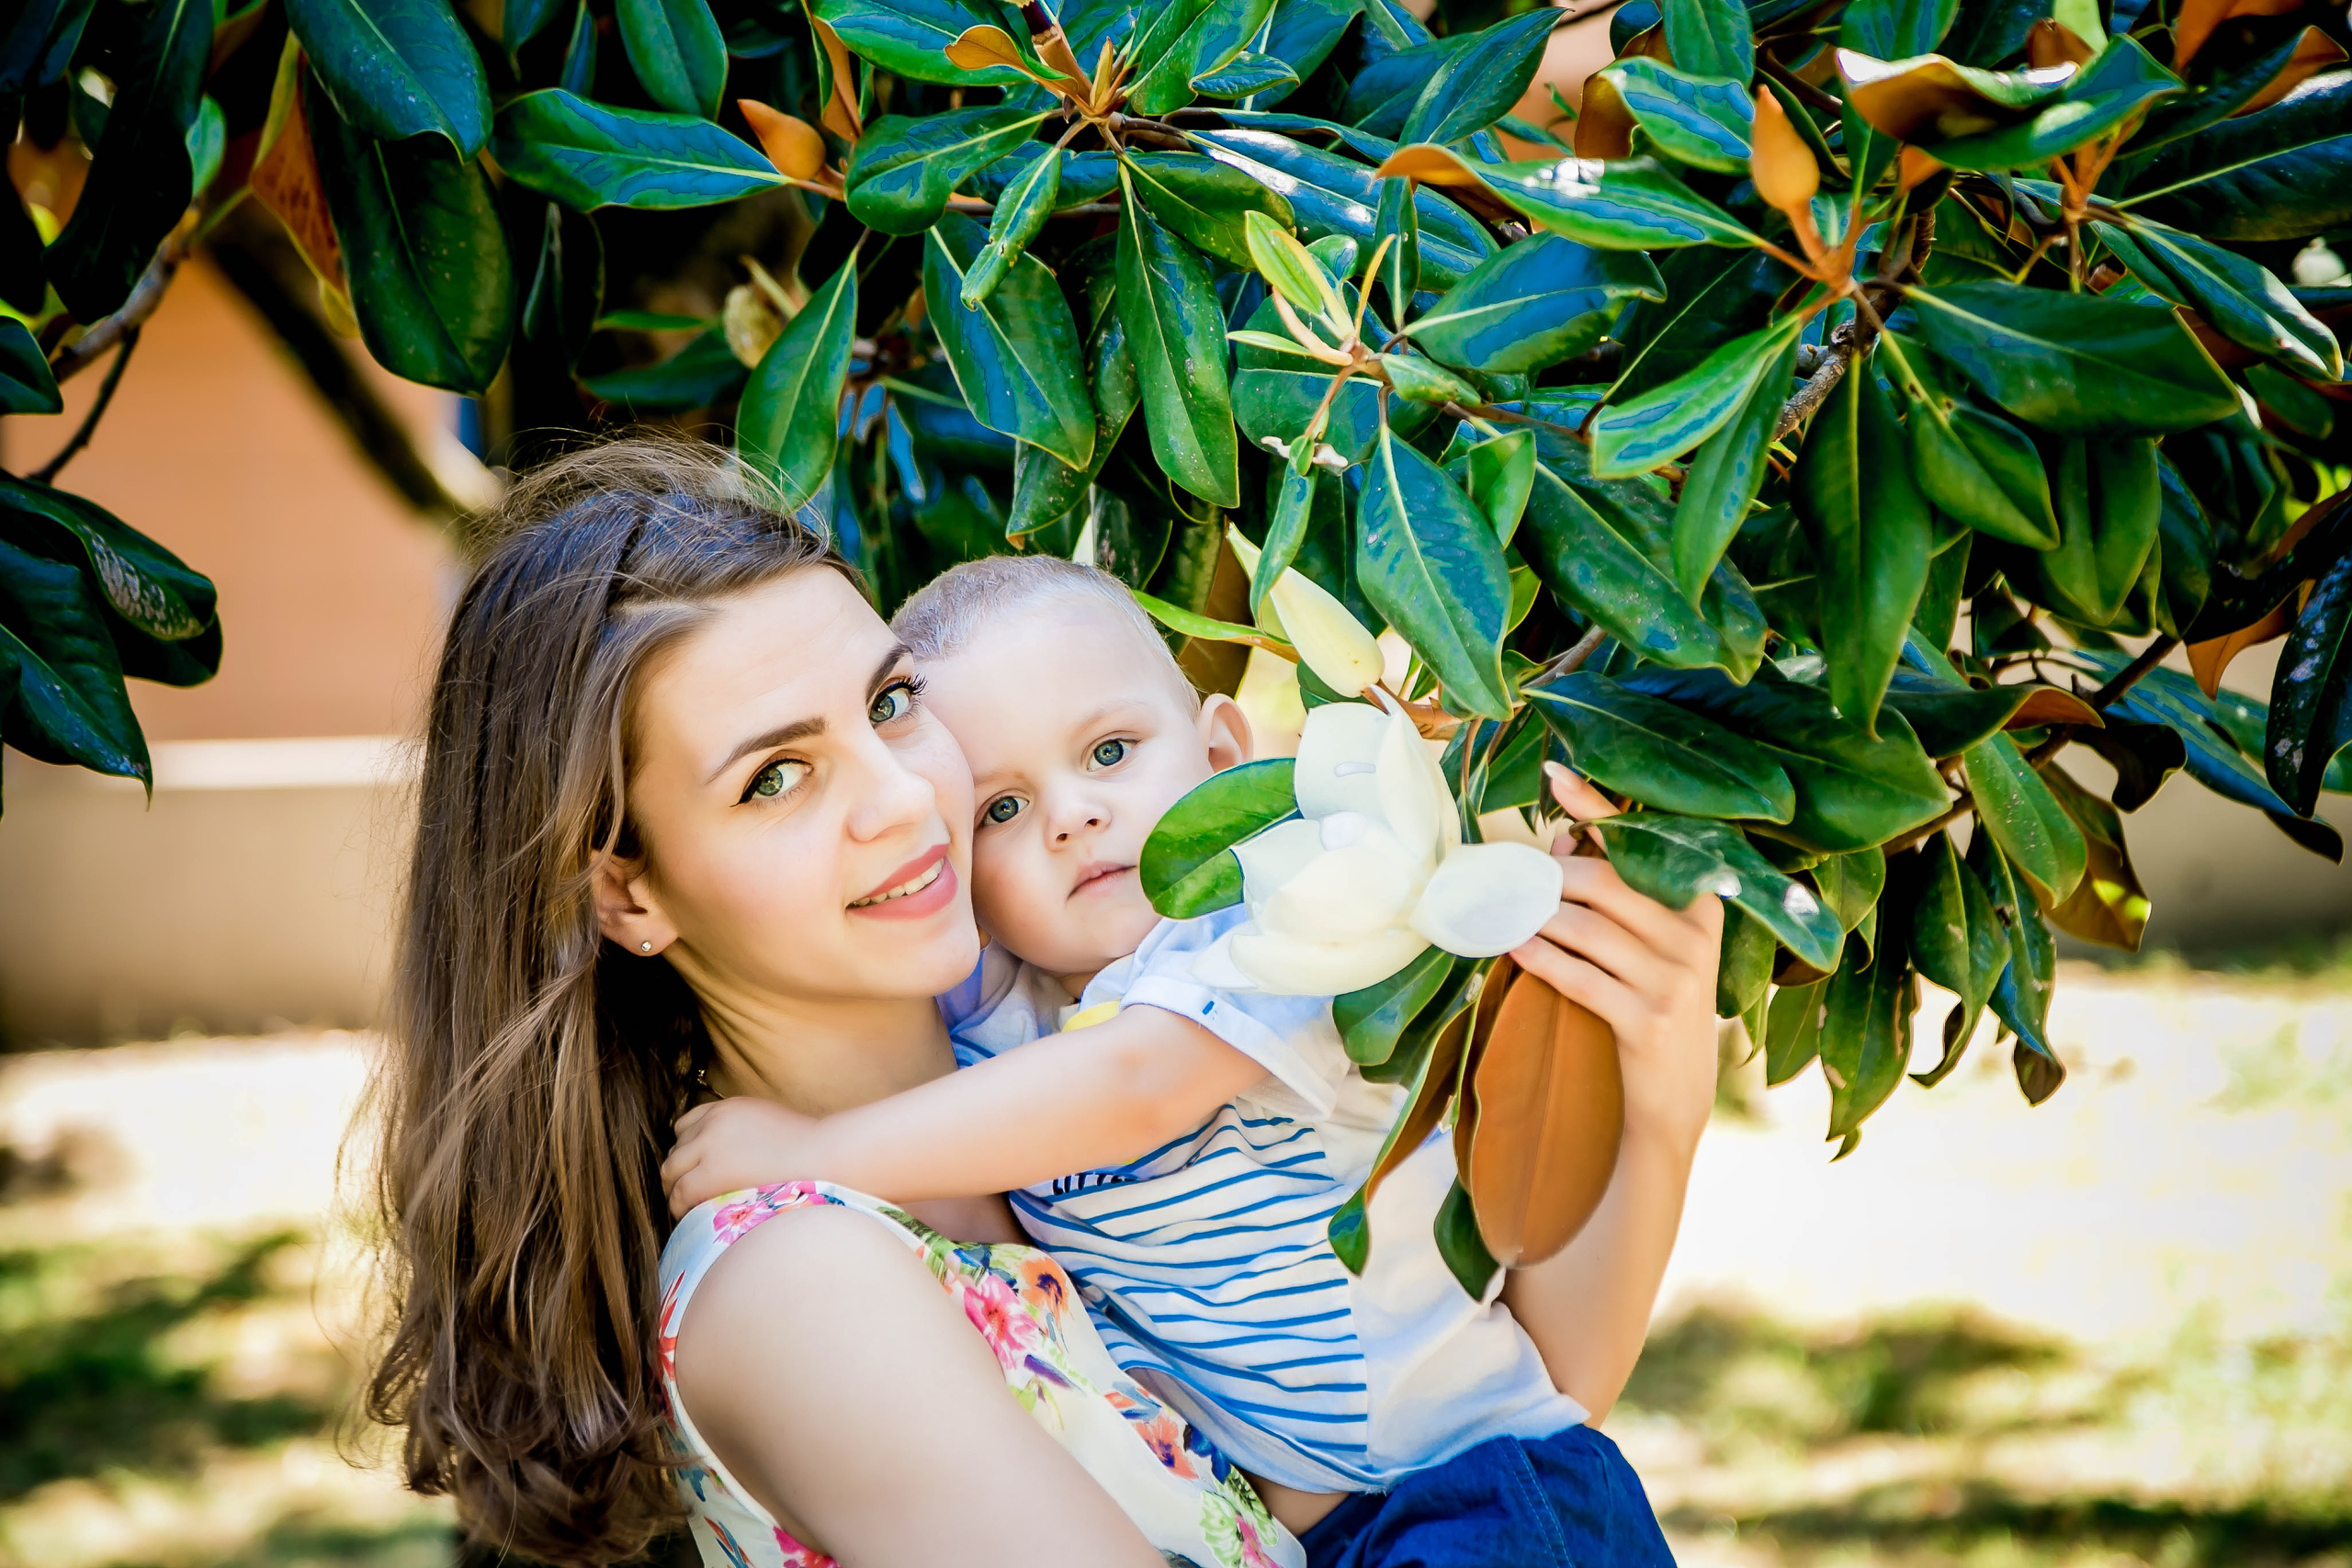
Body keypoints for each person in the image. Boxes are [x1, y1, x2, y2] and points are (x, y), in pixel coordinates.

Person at [662, 555, 1727, 1565]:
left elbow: (1138, 1082)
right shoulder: (1007, 1019)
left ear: (1224, 762)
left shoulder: (1271, 931)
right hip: (1351, 1527)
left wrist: (812, 1149)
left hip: (1482, 1496)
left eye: (1112, 753)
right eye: (1001, 808)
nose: (1074, 816)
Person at [361, 437, 1287, 1568]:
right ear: (627, 891)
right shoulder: (799, 1282)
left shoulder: (1063, 1074)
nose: (902, 797)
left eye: (890, 702)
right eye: (776, 778)